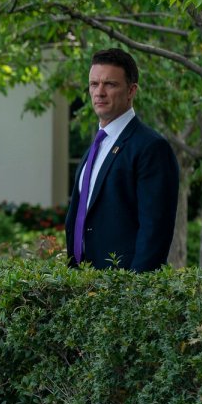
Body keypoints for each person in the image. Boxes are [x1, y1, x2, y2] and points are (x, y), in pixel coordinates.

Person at [64, 48, 179, 272]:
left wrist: (134, 292)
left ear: (131, 90)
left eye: (110, 84)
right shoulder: (95, 147)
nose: (99, 92)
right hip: (82, 284)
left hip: (121, 293)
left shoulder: (151, 147)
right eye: (94, 84)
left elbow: (155, 231)